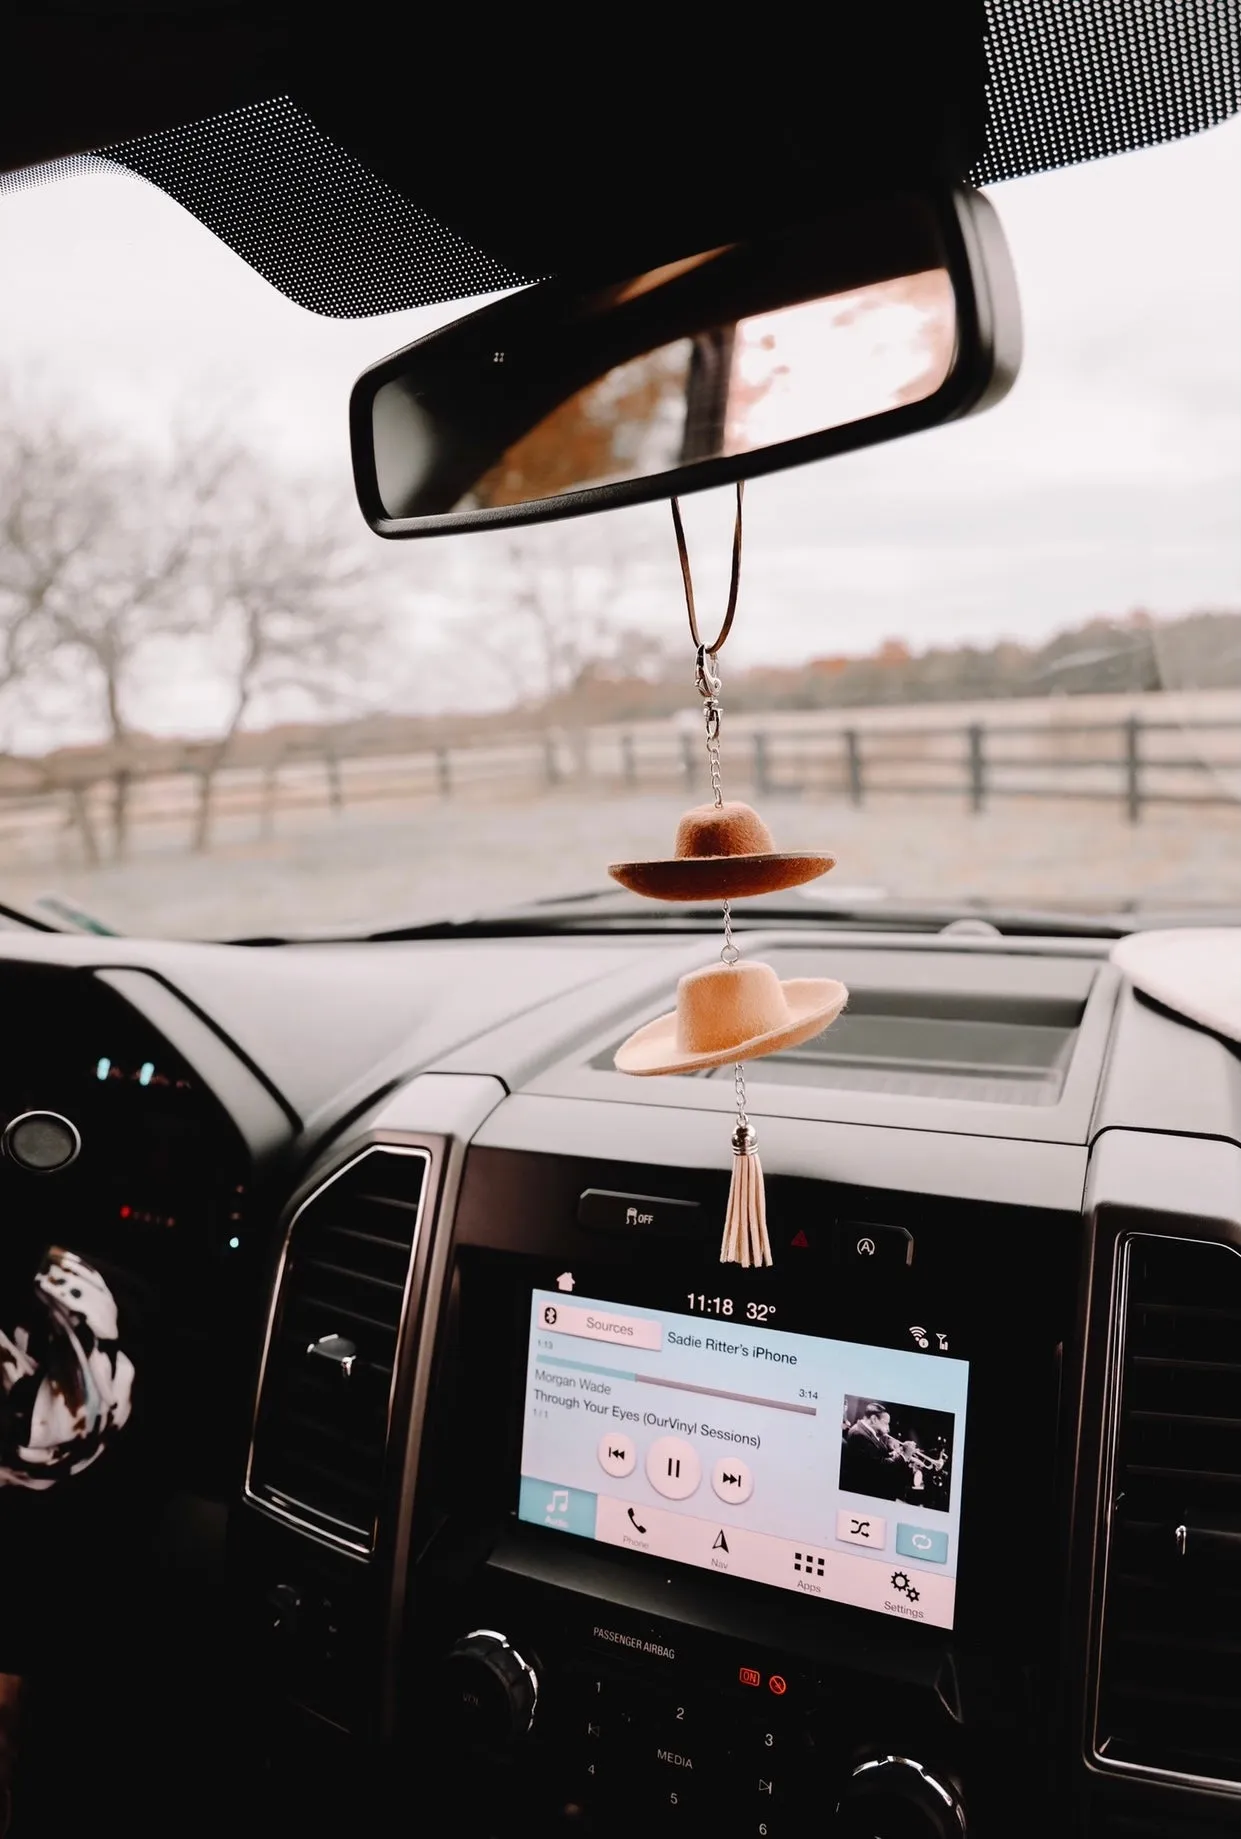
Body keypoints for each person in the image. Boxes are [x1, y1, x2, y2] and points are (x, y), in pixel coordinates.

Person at [840, 1401, 903, 1500]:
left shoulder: (868, 1432)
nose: (888, 1429)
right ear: (873, 1419)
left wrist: (891, 1449)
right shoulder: (858, 1434)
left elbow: (877, 1454)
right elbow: (879, 1466)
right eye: (886, 1423)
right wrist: (904, 1455)